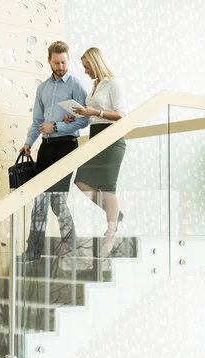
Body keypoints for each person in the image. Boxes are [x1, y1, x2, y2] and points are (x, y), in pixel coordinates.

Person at [19, 41, 89, 261]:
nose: (61, 66)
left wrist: (57, 126)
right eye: (56, 62)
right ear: (49, 60)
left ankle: (71, 248)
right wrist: (28, 143)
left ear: (68, 59)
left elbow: (84, 120)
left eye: (64, 62)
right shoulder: (43, 88)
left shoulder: (75, 86)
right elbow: (37, 121)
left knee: (57, 201)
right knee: (39, 202)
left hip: (67, 146)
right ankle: (33, 251)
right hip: (45, 148)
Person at [64, 47, 126, 257]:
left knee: (108, 188)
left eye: (88, 66)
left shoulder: (113, 83)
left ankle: (111, 234)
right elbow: (91, 116)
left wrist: (95, 111)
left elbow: (120, 114)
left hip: (111, 138)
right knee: (81, 181)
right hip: (95, 137)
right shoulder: (94, 86)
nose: (86, 71)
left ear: (96, 63)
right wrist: (77, 116)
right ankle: (114, 214)